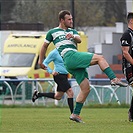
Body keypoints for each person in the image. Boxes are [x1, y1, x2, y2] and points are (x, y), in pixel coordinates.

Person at [38, 10, 128, 123]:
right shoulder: (52, 32)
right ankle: (113, 79)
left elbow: (79, 40)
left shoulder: (72, 30)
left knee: (86, 89)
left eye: (71, 19)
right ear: (62, 20)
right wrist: (41, 61)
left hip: (70, 64)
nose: (71, 21)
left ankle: (75, 114)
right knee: (100, 58)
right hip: (70, 56)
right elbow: (44, 46)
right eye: (69, 19)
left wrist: (73, 37)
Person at [32, 48, 74, 114]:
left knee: (58, 97)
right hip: (58, 75)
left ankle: (38, 94)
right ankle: (73, 114)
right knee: (70, 92)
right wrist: (51, 71)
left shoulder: (66, 51)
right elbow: (44, 63)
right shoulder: (54, 52)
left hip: (65, 76)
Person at [120, 12, 133, 122]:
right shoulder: (127, 35)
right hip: (129, 67)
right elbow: (125, 52)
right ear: (131, 21)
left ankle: (131, 112)